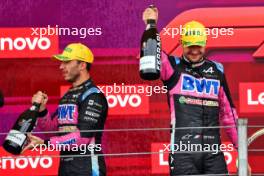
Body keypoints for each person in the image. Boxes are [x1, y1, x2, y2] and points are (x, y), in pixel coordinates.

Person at [142, 7, 241, 175]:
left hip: (213, 153)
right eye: (189, 46)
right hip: (182, 153)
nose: (194, 50)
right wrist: (151, 25)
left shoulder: (217, 70)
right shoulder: (172, 67)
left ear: (205, 43)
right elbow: (152, 53)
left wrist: (241, 151)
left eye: (198, 46)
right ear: (181, 43)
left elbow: (228, 114)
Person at [22, 43, 108, 176]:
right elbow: (53, 133)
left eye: (67, 62)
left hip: (88, 169)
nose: (61, 66)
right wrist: (42, 111)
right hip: (66, 169)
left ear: (82, 65)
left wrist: (45, 144)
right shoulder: (68, 96)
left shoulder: (93, 95)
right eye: (62, 63)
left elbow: (82, 138)